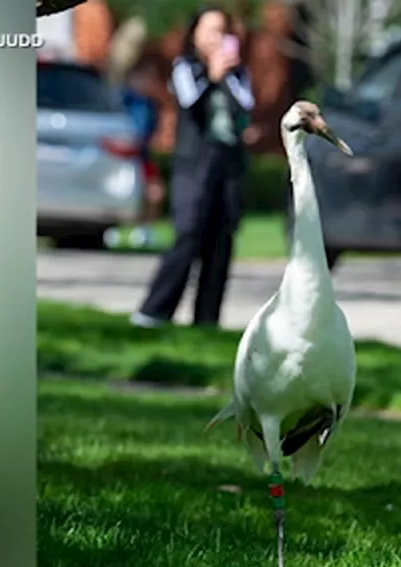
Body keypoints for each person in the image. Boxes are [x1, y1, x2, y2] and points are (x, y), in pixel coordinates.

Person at [131, 5, 255, 329]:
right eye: (210, 30)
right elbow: (189, 103)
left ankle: (206, 321)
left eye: (222, 31)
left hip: (228, 168)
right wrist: (212, 75)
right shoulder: (185, 67)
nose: (217, 38)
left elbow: (245, 109)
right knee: (188, 235)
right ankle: (154, 313)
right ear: (195, 35)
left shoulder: (240, 73)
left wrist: (226, 77)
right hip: (194, 165)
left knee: (221, 241)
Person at [116, 57, 166, 249]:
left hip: (142, 154)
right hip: (122, 153)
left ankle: (145, 230)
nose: (149, 82)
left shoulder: (151, 104)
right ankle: (114, 229)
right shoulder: (122, 99)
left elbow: (151, 132)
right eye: (146, 77)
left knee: (155, 191)